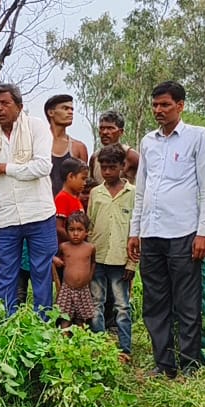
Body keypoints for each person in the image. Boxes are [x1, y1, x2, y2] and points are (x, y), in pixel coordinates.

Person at [127, 81, 205, 377]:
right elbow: (142, 189)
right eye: (155, 105)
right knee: (155, 303)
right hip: (152, 234)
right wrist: (134, 230)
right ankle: (163, 364)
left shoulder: (198, 137)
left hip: (185, 234)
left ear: (180, 105)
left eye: (165, 105)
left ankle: (191, 367)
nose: (158, 110)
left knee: (188, 304)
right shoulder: (148, 141)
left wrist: (203, 232)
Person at [0, 83, 58, 314]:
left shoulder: (36, 127)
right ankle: (4, 329)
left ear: (19, 106)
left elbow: (42, 166)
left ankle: (42, 330)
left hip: (40, 214)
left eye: (4, 103)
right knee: (4, 277)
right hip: (5, 219)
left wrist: (5, 168)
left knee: (42, 275)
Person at [87, 144, 136, 361]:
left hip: (120, 259)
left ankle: (125, 349)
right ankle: (99, 347)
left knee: (122, 306)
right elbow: (90, 226)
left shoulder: (132, 194)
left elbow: (136, 231)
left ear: (123, 167)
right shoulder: (95, 193)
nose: (107, 172)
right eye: (103, 167)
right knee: (96, 302)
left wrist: (132, 264)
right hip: (98, 257)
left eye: (112, 167)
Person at [54, 211, 96, 328]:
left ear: (87, 232)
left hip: (83, 289)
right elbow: (55, 258)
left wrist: (89, 277)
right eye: (71, 230)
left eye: (79, 230)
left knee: (81, 320)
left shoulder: (90, 248)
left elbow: (93, 263)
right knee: (65, 318)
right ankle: (64, 341)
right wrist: (56, 260)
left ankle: (80, 342)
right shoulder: (64, 247)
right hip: (67, 289)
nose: (75, 233)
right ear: (66, 231)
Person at [45, 94, 90, 194]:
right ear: (51, 112)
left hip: (68, 207)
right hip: (43, 206)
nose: (70, 112)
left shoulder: (78, 147)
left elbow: (82, 184)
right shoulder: (39, 144)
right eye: (65, 108)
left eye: (72, 109)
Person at [89, 110, 140, 186]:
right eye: (102, 128)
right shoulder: (95, 157)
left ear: (121, 132)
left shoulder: (130, 155)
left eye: (110, 128)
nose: (105, 132)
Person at [55, 158, 88, 243]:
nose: (84, 183)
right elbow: (58, 227)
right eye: (82, 179)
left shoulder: (76, 198)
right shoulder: (62, 198)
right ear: (71, 176)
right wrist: (74, 241)